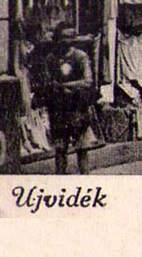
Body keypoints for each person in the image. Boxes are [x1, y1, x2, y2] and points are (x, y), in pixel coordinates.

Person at [37, 23, 97, 174]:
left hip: (78, 107)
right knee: (60, 149)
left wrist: (65, 85)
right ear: (57, 39)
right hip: (58, 109)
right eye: (64, 37)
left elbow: (88, 81)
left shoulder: (80, 57)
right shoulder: (51, 59)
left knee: (82, 148)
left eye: (71, 37)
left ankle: (86, 180)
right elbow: (46, 81)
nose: (68, 41)